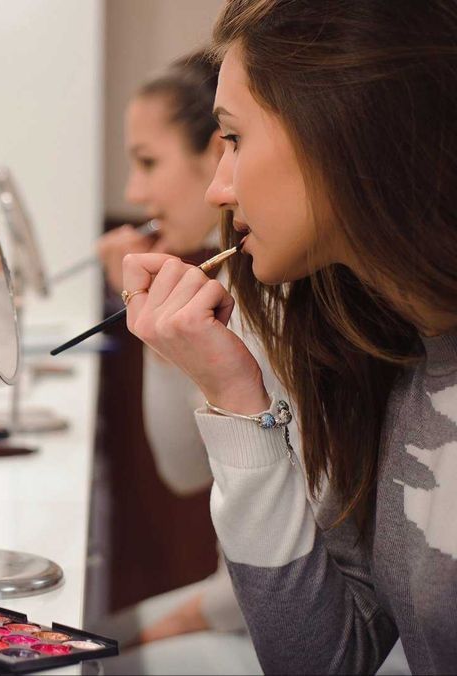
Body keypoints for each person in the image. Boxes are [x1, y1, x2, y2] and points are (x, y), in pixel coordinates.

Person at [121, 0, 456, 671]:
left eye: (235, 140)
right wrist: (238, 403)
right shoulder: (386, 357)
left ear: (344, 129)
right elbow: (323, 663)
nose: (221, 188)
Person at [95, 51, 253, 652]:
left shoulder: (278, 295)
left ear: (217, 152)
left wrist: (176, 623)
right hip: (239, 601)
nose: (136, 191)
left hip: (254, 616)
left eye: (148, 162)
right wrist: (153, 330)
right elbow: (187, 469)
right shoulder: (236, 282)